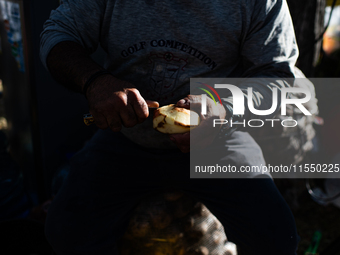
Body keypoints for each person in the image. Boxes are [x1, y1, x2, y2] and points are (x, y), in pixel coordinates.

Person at [40, 0, 300, 254]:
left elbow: (277, 76)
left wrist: (223, 107)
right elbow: (58, 35)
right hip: (127, 139)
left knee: (277, 238)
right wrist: (94, 82)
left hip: (219, 140)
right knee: (65, 230)